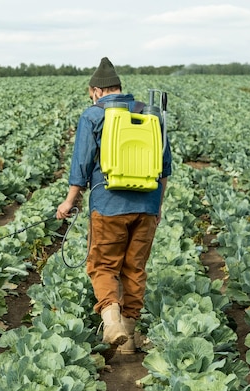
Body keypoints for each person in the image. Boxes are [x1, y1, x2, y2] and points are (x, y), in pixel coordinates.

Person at [56, 57, 172, 360]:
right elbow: (165, 169)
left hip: (108, 206)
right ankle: (130, 337)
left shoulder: (94, 115)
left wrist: (69, 201)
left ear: (96, 91)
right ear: (119, 88)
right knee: (134, 269)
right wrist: (156, 208)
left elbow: (81, 165)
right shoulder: (150, 114)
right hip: (147, 206)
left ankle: (111, 322)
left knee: (103, 266)